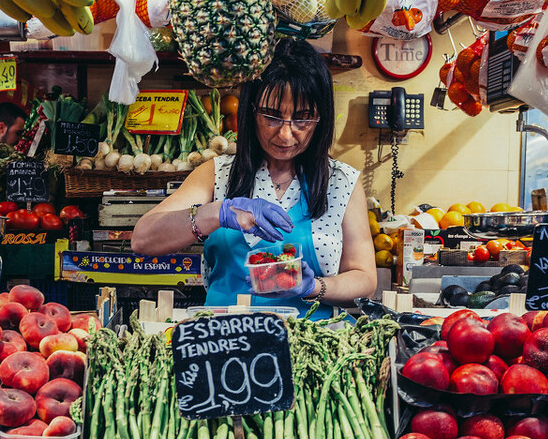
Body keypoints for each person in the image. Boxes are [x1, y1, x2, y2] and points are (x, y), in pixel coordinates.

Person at [131, 39, 377, 317]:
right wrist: (216, 213)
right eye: (271, 116)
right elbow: (142, 239)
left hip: (310, 345)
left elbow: (365, 280)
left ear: (321, 118)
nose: (285, 134)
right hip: (224, 342)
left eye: (302, 119)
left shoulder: (340, 182)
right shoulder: (218, 173)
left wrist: (313, 287)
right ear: (250, 111)